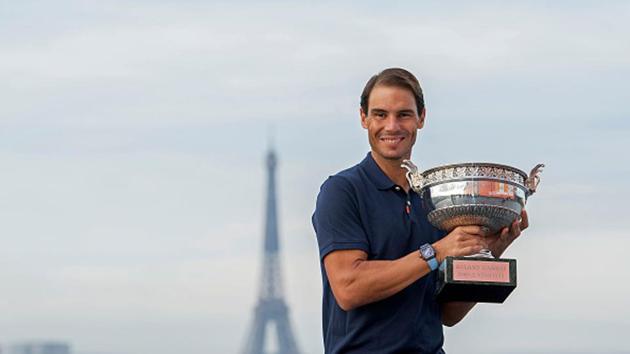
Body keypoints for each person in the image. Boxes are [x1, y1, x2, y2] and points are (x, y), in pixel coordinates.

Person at [311, 68, 528, 354]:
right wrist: (436, 252)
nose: (391, 126)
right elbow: (349, 288)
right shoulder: (342, 191)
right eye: (380, 114)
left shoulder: (435, 202)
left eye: (403, 114)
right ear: (363, 118)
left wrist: (488, 251)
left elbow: (448, 314)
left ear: (421, 118)